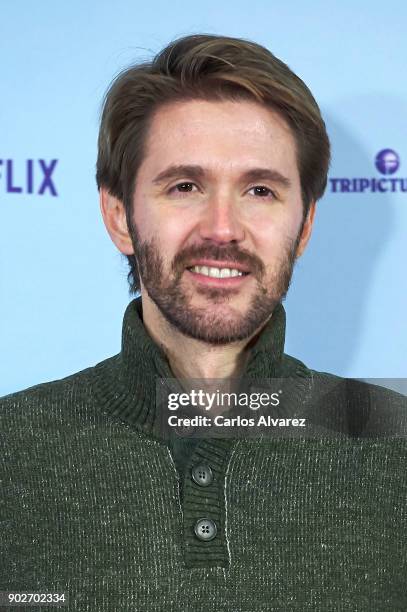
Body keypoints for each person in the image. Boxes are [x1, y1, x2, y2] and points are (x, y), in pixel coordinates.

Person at [1, 34, 406, 611]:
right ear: (119, 215)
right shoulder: (10, 448)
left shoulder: (395, 441)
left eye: (260, 190)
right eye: (185, 186)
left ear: (306, 226)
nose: (223, 228)